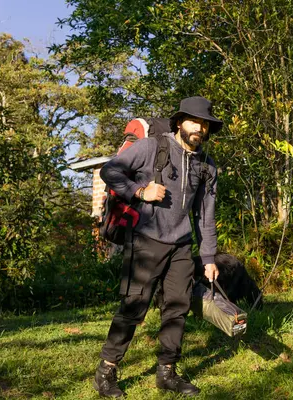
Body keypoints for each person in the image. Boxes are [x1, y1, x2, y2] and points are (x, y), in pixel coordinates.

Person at [93, 96, 222, 398]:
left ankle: (167, 372)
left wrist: (208, 257)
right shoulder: (152, 147)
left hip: (181, 245)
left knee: (177, 308)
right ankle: (106, 371)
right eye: (193, 121)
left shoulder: (206, 165)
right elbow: (110, 171)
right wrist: (139, 191)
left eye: (204, 124)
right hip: (146, 239)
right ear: (179, 122)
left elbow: (206, 215)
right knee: (133, 307)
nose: (199, 129)